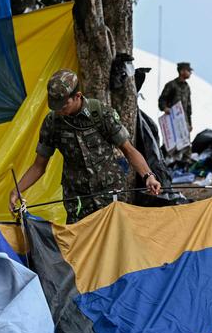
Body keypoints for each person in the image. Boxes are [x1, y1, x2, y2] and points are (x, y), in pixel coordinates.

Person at [9, 69, 161, 224]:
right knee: (81, 245)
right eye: (56, 106)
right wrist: (17, 190)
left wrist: (148, 176)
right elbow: (38, 166)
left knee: (117, 241)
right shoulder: (52, 123)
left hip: (110, 195)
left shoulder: (101, 113)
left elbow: (128, 150)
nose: (60, 110)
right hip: (78, 201)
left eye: (64, 105)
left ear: (78, 96)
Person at [158, 62, 193, 132]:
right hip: (171, 119)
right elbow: (162, 99)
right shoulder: (171, 85)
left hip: (183, 122)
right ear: (182, 71)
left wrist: (189, 123)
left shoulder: (187, 87)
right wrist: (164, 108)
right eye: (188, 70)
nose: (190, 73)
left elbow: (188, 108)